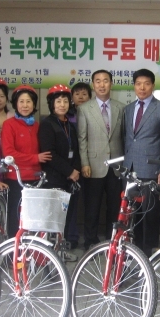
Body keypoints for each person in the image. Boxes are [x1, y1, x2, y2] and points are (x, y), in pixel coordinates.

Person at [123, 68, 160, 256]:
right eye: (138, 84)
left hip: (151, 169)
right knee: (132, 212)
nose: (142, 88)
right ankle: (135, 249)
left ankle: (148, 251)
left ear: (152, 85)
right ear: (134, 86)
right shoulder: (128, 109)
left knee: (149, 213)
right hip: (130, 169)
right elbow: (128, 138)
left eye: (146, 84)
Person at [77, 70, 125, 250]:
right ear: (93, 85)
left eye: (105, 81)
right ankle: (90, 241)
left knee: (114, 206)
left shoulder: (121, 108)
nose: (102, 84)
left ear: (111, 83)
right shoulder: (84, 109)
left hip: (116, 165)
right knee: (92, 206)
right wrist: (84, 163)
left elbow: (124, 137)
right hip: (93, 165)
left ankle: (112, 241)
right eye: (98, 81)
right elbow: (82, 138)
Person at [1, 85, 51, 237]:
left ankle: (31, 247)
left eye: (28, 101)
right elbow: (9, 153)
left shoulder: (36, 125)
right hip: (15, 178)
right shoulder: (9, 125)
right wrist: (35, 158)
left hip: (35, 178)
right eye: (21, 101)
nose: (25, 105)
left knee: (33, 217)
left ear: (34, 104)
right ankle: (13, 247)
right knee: (15, 217)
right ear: (15, 104)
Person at [39, 84, 81, 262]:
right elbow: (49, 154)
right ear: (52, 104)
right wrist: (69, 171)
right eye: (58, 101)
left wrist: (75, 170)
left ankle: (61, 252)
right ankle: (51, 254)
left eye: (65, 101)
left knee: (66, 217)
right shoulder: (47, 124)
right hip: (54, 178)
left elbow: (76, 150)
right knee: (55, 218)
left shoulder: (69, 125)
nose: (62, 104)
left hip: (70, 179)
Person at [65, 81, 92, 246]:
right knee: (71, 202)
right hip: (71, 166)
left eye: (84, 94)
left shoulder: (93, 113)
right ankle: (71, 236)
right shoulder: (66, 115)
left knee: (90, 202)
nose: (81, 97)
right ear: (72, 97)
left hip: (90, 163)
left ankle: (90, 237)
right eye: (77, 94)